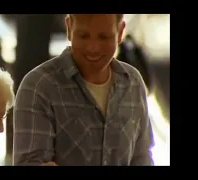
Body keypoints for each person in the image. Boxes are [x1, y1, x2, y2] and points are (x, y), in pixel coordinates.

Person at [13, 14, 154, 166]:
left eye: (104, 37)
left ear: (120, 32)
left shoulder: (133, 82)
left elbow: (142, 157)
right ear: (69, 28)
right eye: (83, 36)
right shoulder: (39, 87)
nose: (93, 47)